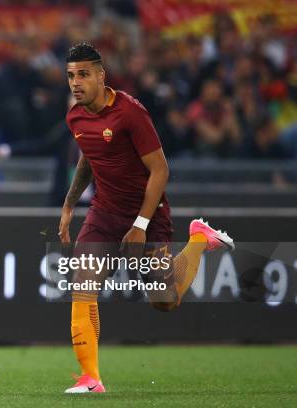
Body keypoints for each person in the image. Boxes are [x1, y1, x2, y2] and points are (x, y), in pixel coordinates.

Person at [57, 43, 235, 393]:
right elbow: (90, 156)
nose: (76, 83)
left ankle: (199, 239)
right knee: (83, 284)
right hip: (104, 212)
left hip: (148, 214)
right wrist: (68, 205)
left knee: (165, 301)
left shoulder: (129, 112)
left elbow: (160, 169)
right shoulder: (75, 115)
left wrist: (140, 225)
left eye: (83, 74)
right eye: (71, 76)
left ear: (101, 75)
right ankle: (91, 378)